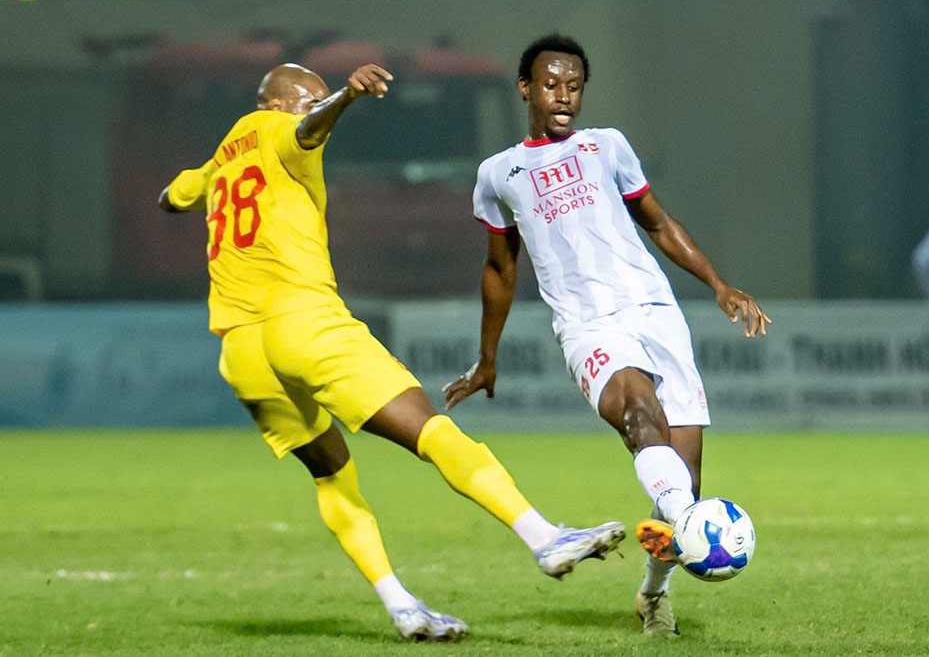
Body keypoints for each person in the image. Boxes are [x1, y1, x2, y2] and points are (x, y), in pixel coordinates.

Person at [157, 62, 625, 642]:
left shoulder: (224, 156)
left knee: (333, 477)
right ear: (276, 104)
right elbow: (307, 132)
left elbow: (170, 198)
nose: (312, 108)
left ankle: (403, 606)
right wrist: (345, 99)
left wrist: (196, 189)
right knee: (431, 430)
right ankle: (543, 538)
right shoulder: (284, 130)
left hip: (242, 353)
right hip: (304, 325)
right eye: (306, 100)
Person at [443, 35, 771, 637]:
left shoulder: (607, 146)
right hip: (587, 325)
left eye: (573, 86)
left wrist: (719, 284)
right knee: (639, 415)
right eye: (550, 84)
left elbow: (658, 222)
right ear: (526, 89)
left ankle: (653, 590)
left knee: (685, 479)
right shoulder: (498, 174)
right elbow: (500, 269)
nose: (563, 96)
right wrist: (487, 357)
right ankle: (699, 530)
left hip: (656, 312)